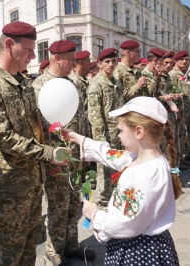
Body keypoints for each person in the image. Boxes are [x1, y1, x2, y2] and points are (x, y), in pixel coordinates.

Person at [0, 21, 67, 266]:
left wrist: (52, 156)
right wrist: (48, 153)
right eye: (28, 49)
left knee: (29, 243)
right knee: (11, 248)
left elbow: (37, 127)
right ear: (9, 45)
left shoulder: (24, 83)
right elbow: (1, 136)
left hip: (33, 178)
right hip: (10, 182)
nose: (33, 55)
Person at [64, 96, 181, 265]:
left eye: (120, 130)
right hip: (136, 243)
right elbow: (111, 155)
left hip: (139, 251)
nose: (118, 136)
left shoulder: (148, 173)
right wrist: (80, 139)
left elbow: (129, 222)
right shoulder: (139, 158)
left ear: (139, 132)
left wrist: (95, 214)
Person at [33, 41, 96, 265]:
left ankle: (71, 245)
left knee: (72, 203)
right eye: (70, 59)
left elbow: (81, 119)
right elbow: (37, 129)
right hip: (56, 159)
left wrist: (85, 151)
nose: (74, 64)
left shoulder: (72, 84)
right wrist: (50, 159)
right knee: (58, 206)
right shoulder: (40, 86)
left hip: (76, 157)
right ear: (57, 58)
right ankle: (54, 249)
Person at [87, 48, 124, 209]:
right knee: (104, 173)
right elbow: (95, 116)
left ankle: (114, 203)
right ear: (100, 63)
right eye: (107, 61)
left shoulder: (116, 82)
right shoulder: (97, 83)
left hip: (119, 135)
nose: (111, 64)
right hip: (106, 137)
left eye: (113, 61)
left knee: (117, 172)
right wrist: (101, 143)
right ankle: (102, 206)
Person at [168, 51, 190, 167]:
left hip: (186, 110)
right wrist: (175, 109)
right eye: (181, 59)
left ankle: (181, 158)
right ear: (176, 61)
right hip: (178, 111)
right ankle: (175, 162)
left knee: (183, 134)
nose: (184, 61)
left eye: (186, 60)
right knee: (177, 136)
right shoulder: (173, 74)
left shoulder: (184, 74)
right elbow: (171, 93)